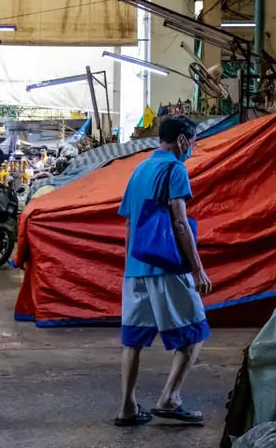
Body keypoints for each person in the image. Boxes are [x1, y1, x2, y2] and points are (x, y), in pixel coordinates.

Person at [115, 116, 212, 427]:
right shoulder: (175, 169)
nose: (192, 149)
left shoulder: (139, 169)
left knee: (133, 340)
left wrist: (132, 265)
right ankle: (169, 398)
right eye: (192, 143)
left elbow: (129, 223)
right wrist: (197, 269)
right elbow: (180, 224)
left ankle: (127, 408)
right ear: (183, 140)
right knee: (195, 331)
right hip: (166, 267)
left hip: (136, 268)